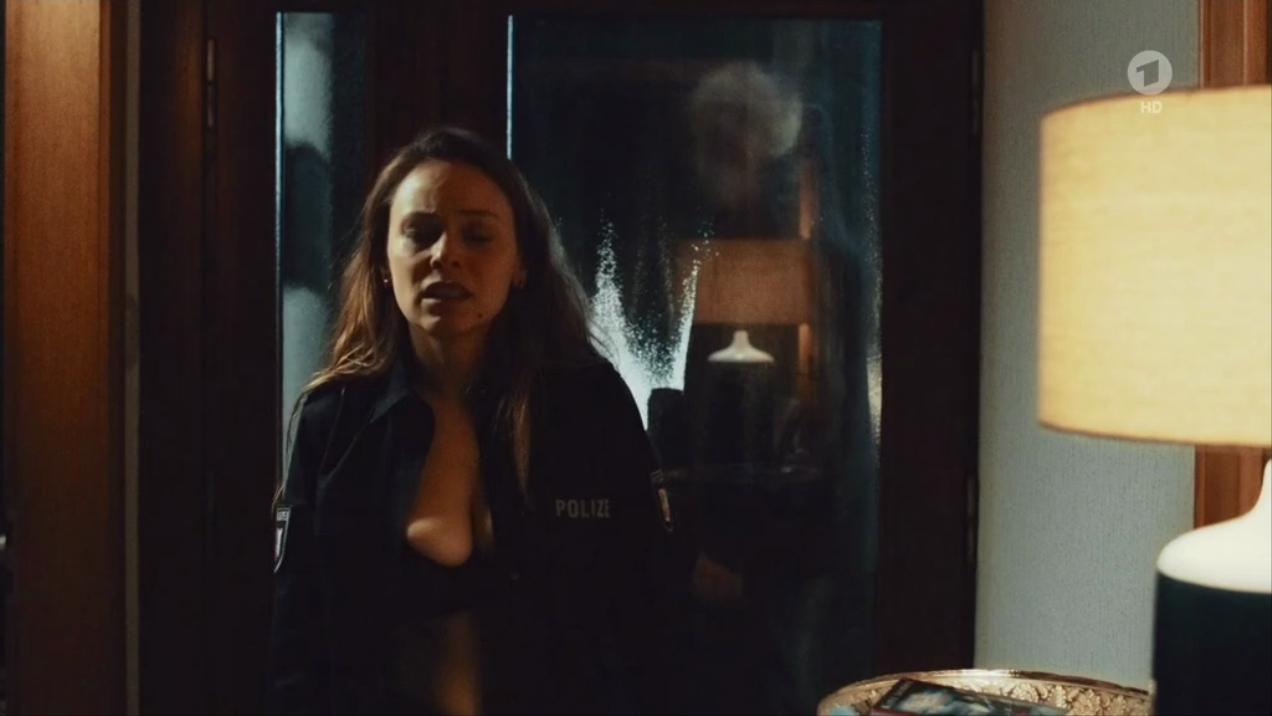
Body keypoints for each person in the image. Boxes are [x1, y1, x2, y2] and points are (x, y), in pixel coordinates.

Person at [267, 127, 694, 715]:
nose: (446, 255)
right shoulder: (336, 424)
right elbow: (296, 650)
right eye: (420, 233)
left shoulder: (590, 407)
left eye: (478, 235)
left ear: (521, 263)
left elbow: (653, 618)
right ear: (384, 262)